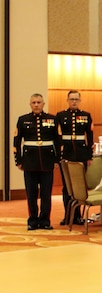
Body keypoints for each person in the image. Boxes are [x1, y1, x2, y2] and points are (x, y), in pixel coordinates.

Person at [13, 93, 60, 231]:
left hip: (47, 161)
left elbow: (58, 141)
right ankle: (32, 220)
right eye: (34, 102)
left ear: (43, 104)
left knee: (46, 193)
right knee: (31, 193)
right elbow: (16, 142)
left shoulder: (52, 119)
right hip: (29, 162)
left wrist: (57, 160)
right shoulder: (23, 120)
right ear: (30, 104)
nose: (36, 105)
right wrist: (18, 161)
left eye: (39, 102)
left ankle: (45, 220)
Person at [55, 90, 94, 225]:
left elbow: (89, 136)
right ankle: (68, 215)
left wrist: (89, 156)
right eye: (71, 99)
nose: (74, 102)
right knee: (67, 187)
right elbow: (57, 137)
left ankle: (78, 216)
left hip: (81, 154)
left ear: (80, 100)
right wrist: (58, 156)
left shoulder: (86, 116)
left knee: (79, 186)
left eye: (76, 99)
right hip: (66, 153)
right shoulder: (60, 116)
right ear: (67, 100)